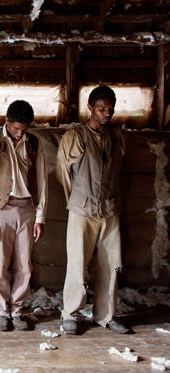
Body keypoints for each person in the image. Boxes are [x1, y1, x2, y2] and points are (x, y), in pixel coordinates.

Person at [57, 85, 130, 335]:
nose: (106, 113)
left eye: (110, 109)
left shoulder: (118, 136)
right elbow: (63, 173)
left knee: (110, 264)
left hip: (110, 210)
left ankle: (106, 316)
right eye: (101, 108)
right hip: (81, 210)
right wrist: (77, 200)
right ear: (89, 107)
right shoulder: (75, 136)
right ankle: (71, 314)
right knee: (77, 263)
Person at [0, 100, 48, 332]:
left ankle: (17, 311)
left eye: (24, 130)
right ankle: (0, 310)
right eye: (16, 128)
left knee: (24, 265)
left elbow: (42, 182)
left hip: (27, 209)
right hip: (2, 209)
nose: (20, 134)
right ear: (6, 121)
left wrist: (40, 217)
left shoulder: (34, 143)